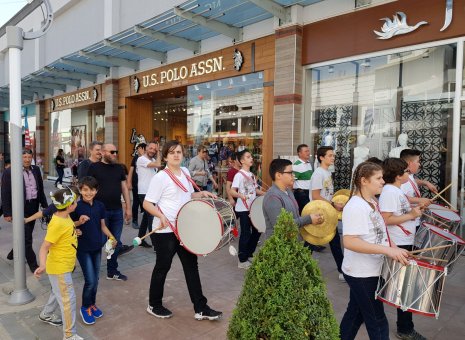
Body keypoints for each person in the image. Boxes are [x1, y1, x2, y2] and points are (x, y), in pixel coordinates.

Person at [143, 140, 222, 320]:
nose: (176, 155)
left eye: (179, 152)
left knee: (191, 267)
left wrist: (201, 194)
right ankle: (154, 304)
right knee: (163, 267)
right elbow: (147, 203)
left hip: (184, 227)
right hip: (165, 231)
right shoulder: (160, 177)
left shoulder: (185, 172)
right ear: (165, 157)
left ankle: (201, 308)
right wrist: (161, 216)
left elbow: (187, 195)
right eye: (172, 152)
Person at [340, 162, 410, 340]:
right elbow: (349, 241)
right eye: (378, 178)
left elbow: (379, 231)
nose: (383, 182)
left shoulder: (371, 201)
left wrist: (393, 247)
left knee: (356, 314)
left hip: (371, 269)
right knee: (377, 320)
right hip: (361, 273)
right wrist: (386, 250)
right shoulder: (356, 206)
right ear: (364, 180)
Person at [379, 158, 425, 340]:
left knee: (401, 286)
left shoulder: (395, 190)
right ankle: (405, 329)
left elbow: (399, 213)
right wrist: (411, 215)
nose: (409, 173)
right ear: (398, 175)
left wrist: (415, 209)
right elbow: (386, 219)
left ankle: (403, 326)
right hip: (398, 244)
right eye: (406, 171)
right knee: (404, 287)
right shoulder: (390, 192)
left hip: (404, 240)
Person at [33, 187, 84, 340]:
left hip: (64, 265)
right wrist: (42, 265)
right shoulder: (57, 223)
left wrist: (75, 229)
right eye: (75, 201)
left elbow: (67, 229)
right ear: (69, 205)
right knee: (68, 300)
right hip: (59, 267)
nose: (77, 202)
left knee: (57, 292)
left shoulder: (64, 216)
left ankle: (46, 314)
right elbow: (44, 246)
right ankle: (69, 335)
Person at [72, 176, 117, 325]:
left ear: (96, 190)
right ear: (80, 190)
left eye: (91, 190)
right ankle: (85, 307)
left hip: (97, 247)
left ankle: (92, 304)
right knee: (90, 280)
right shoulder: (76, 207)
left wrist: (112, 237)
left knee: (95, 280)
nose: (88, 193)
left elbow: (103, 226)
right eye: (85, 190)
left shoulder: (100, 206)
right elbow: (68, 224)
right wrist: (78, 223)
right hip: (83, 249)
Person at [88, 144, 131, 281]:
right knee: (98, 241)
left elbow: (124, 188)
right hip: (100, 212)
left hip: (117, 211)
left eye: (116, 151)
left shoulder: (119, 168)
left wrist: (128, 208)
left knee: (114, 242)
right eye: (112, 152)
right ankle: (90, 269)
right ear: (103, 152)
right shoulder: (94, 167)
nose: (115, 154)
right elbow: (87, 188)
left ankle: (112, 271)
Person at [2, 149, 48, 272]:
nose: (27, 159)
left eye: (29, 157)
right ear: (19, 158)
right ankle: (34, 265)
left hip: (33, 206)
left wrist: (45, 206)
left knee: (26, 234)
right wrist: (7, 212)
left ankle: (13, 252)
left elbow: (41, 189)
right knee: (27, 238)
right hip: (18, 208)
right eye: (24, 157)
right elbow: (5, 193)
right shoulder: (9, 172)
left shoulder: (36, 170)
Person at [310, 146, 345, 281]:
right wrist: (333, 204)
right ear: (321, 157)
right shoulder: (318, 174)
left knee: (332, 242)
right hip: (319, 213)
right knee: (312, 241)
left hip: (327, 213)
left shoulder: (327, 173)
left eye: (333, 155)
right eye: (330, 155)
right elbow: (315, 195)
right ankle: (342, 271)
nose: (333, 158)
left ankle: (342, 271)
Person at [263, 158, 322, 235]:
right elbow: (281, 226)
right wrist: (309, 219)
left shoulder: (288, 191)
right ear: (278, 175)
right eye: (290, 173)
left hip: (292, 242)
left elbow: (295, 217)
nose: (293, 175)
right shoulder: (272, 197)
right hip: (280, 245)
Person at [230, 149, 266, 269]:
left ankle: (249, 254)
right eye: (248, 157)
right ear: (242, 161)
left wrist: (266, 194)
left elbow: (255, 190)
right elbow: (232, 191)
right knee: (245, 233)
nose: (251, 159)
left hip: (253, 208)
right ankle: (242, 260)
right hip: (243, 209)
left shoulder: (251, 175)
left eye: (251, 157)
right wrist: (241, 196)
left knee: (257, 231)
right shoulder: (239, 175)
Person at [293, 144, 325, 252]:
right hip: (301, 194)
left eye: (308, 151)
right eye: (306, 151)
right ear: (299, 153)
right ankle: (309, 244)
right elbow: (292, 181)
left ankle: (311, 242)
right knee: (307, 218)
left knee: (311, 217)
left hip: (308, 193)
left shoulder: (308, 164)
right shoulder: (296, 165)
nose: (308, 153)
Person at [136, 142, 161, 248]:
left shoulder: (153, 160)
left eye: (155, 149)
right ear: (146, 148)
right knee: (152, 218)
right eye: (151, 148)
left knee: (147, 217)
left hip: (152, 192)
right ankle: (157, 245)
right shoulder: (141, 159)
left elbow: (157, 170)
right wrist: (159, 152)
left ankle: (140, 238)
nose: (152, 150)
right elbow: (158, 165)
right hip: (144, 193)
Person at [127, 143, 146, 229]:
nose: (137, 150)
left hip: (146, 185)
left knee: (146, 203)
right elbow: (131, 170)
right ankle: (135, 221)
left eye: (138, 148)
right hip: (136, 184)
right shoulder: (135, 158)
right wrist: (129, 182)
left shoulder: (149, 159)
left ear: (143, 148)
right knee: (136, 202)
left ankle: (146, 222)